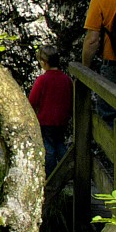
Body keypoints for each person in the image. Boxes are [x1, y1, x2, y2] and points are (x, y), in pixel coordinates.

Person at [30, 45, 73, 176]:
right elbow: (71, 98)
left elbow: (32, 100)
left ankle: (51, 176)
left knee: (48, 149)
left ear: (43, 63)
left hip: (45, 120)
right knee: (60, 144)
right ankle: (67, 170)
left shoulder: (42, 80)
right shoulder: (66, 79)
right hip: (62, 120)